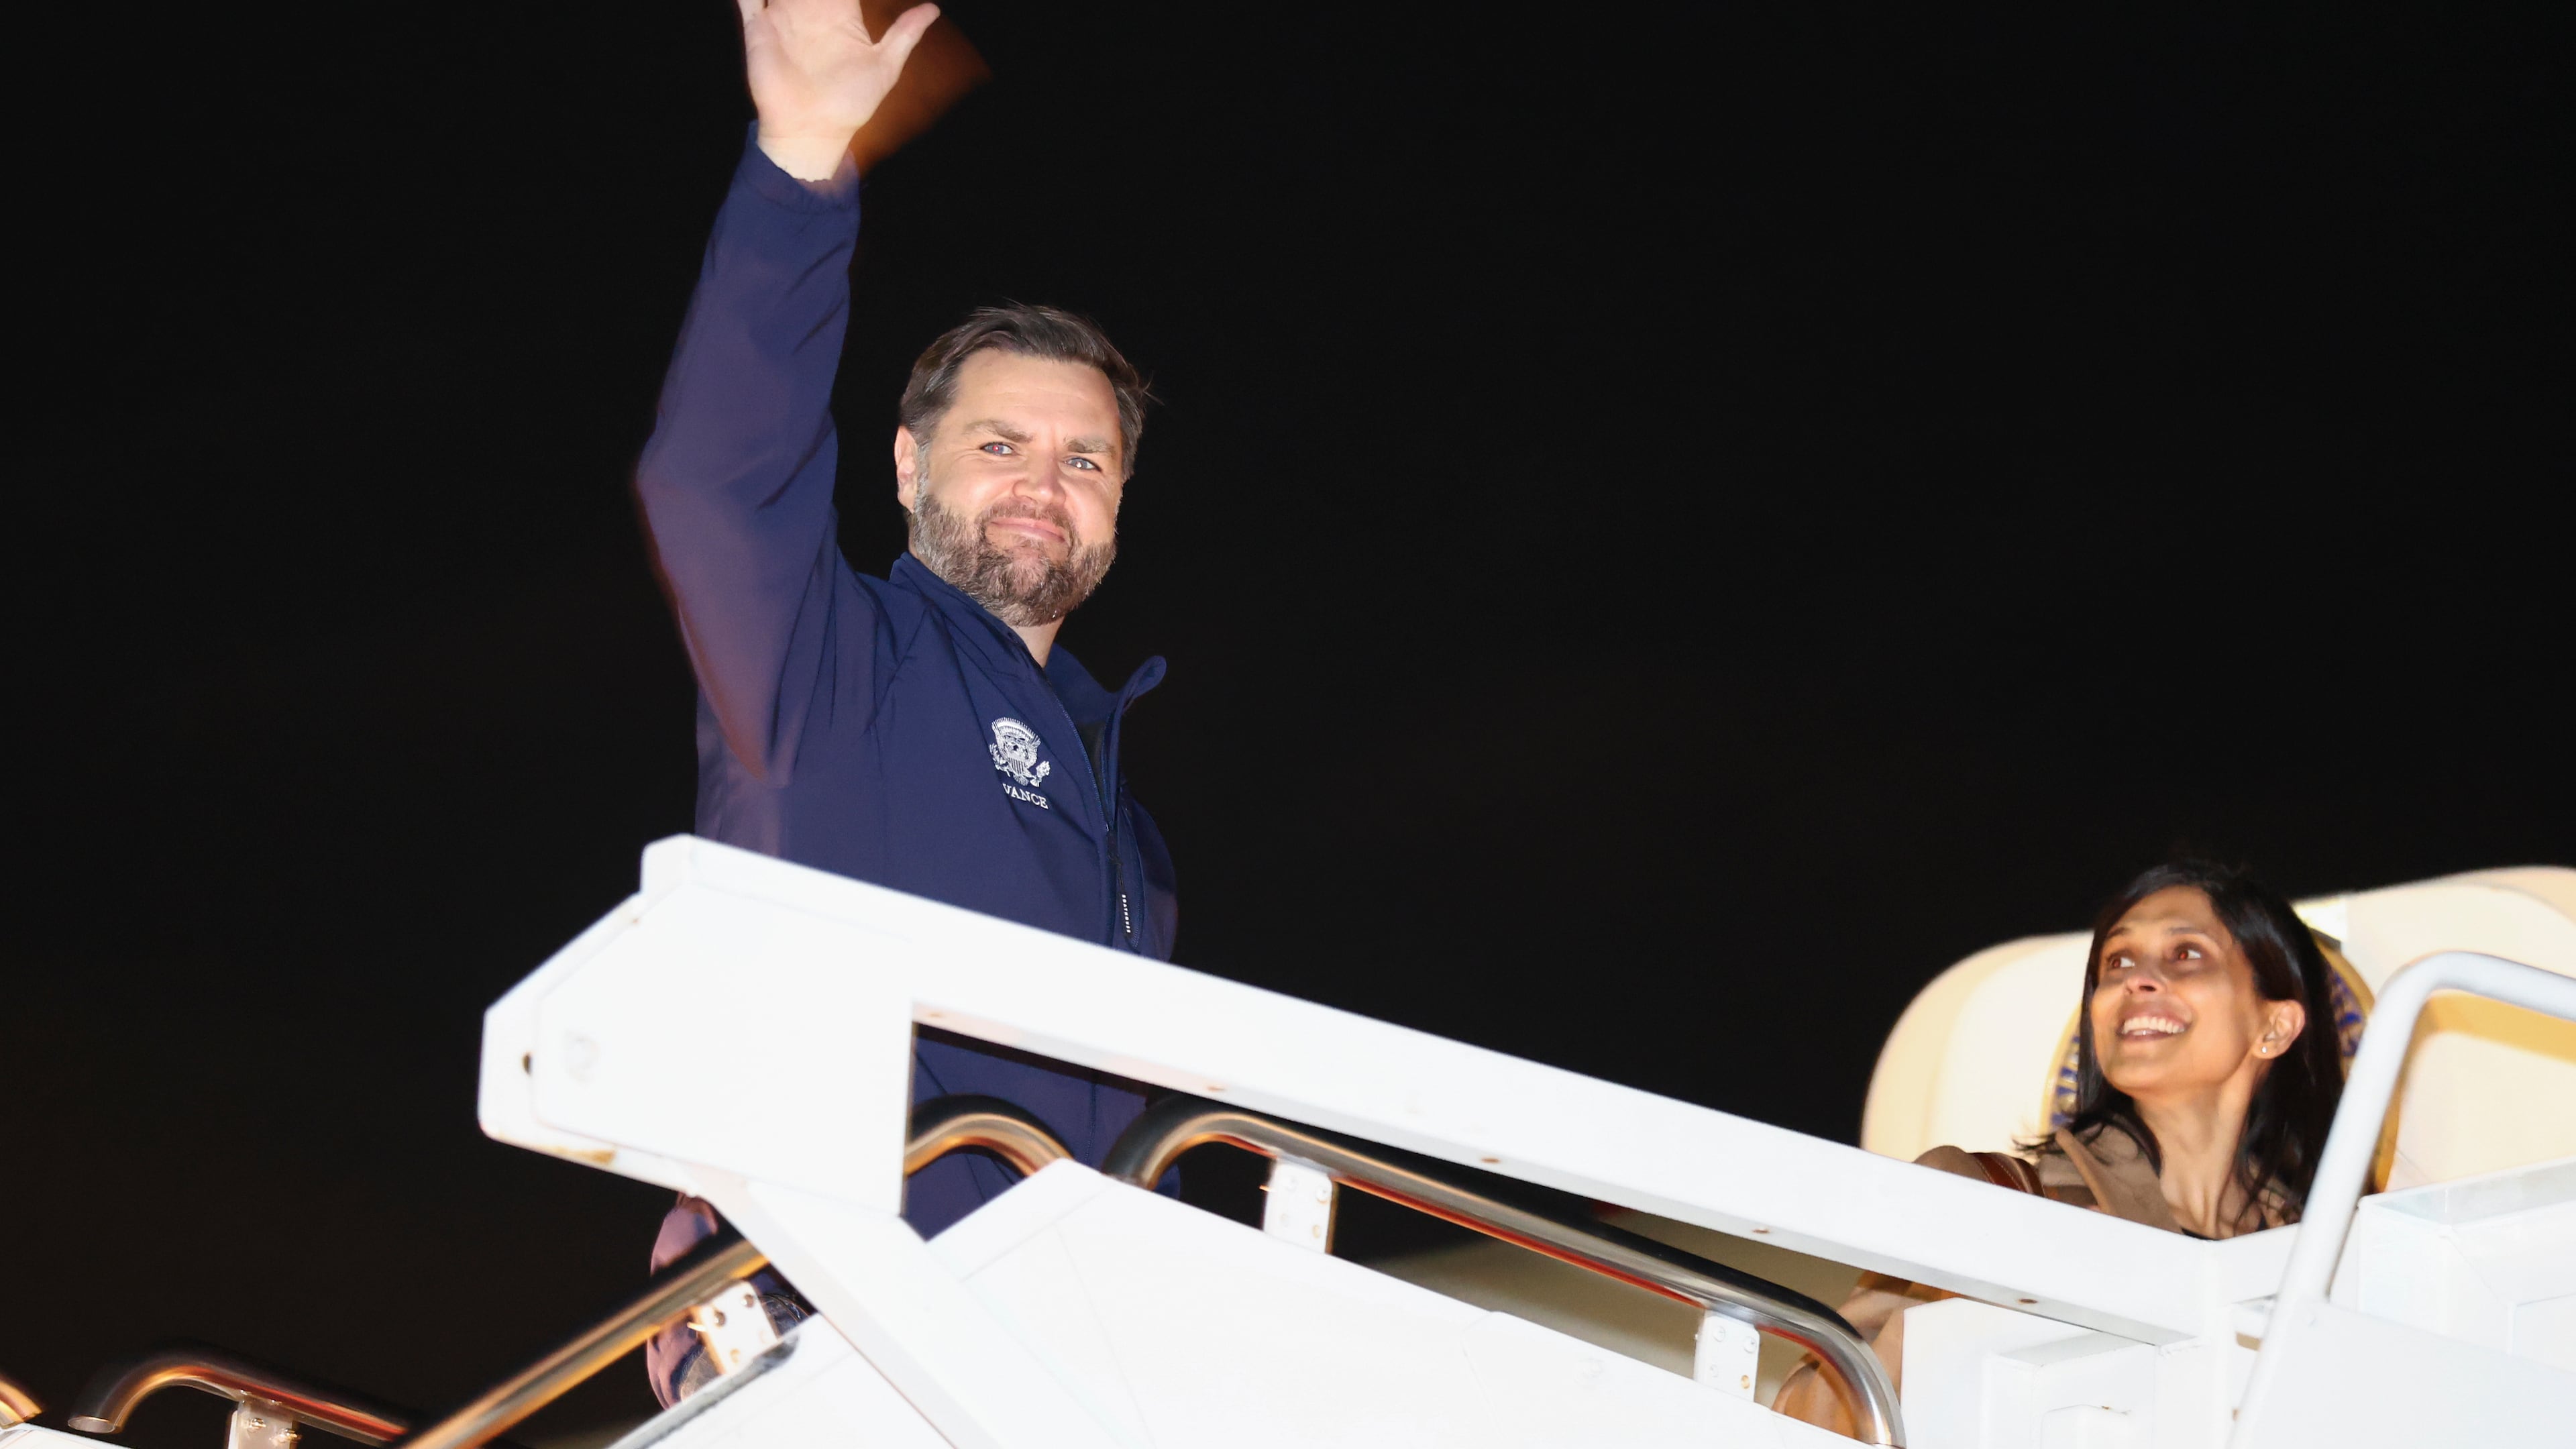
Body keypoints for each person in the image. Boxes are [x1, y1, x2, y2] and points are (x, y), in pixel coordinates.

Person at [635, 0, 1178, 1401]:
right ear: (905, 467)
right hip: (831, 1337)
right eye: (999, 444)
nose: (1043, 486)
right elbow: (716, 478)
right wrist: (802, 162)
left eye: (1085, 461)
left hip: (1042, 1370)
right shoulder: (824, 662)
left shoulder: (1137, 841)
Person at [1775, 861, 2348, 1436]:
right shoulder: (1988, 1199)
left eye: (2185, 955)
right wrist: (1993, 1306)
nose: (2135, 980)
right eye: (2117, 962)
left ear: (2274, 1027)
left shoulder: (2334, 1264)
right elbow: (1805, 1418)